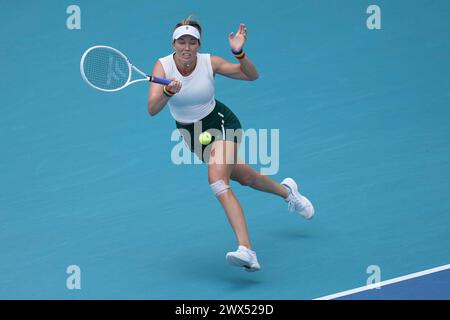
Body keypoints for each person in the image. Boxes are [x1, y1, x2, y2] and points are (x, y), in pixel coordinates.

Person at [147, 17, 315, 272]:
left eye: (192, 42)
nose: (187, 47)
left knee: (217, 180)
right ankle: (288, 192)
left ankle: (247, 250)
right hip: (191, 134)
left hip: (221, 122)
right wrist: (168, 92)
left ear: (198, 45)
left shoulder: (209, 62)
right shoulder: (162, 67)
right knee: (245, 177)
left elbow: (251, 76)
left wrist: (239, 53)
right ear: (173, 43)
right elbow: (152, 108)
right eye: (182, 41)